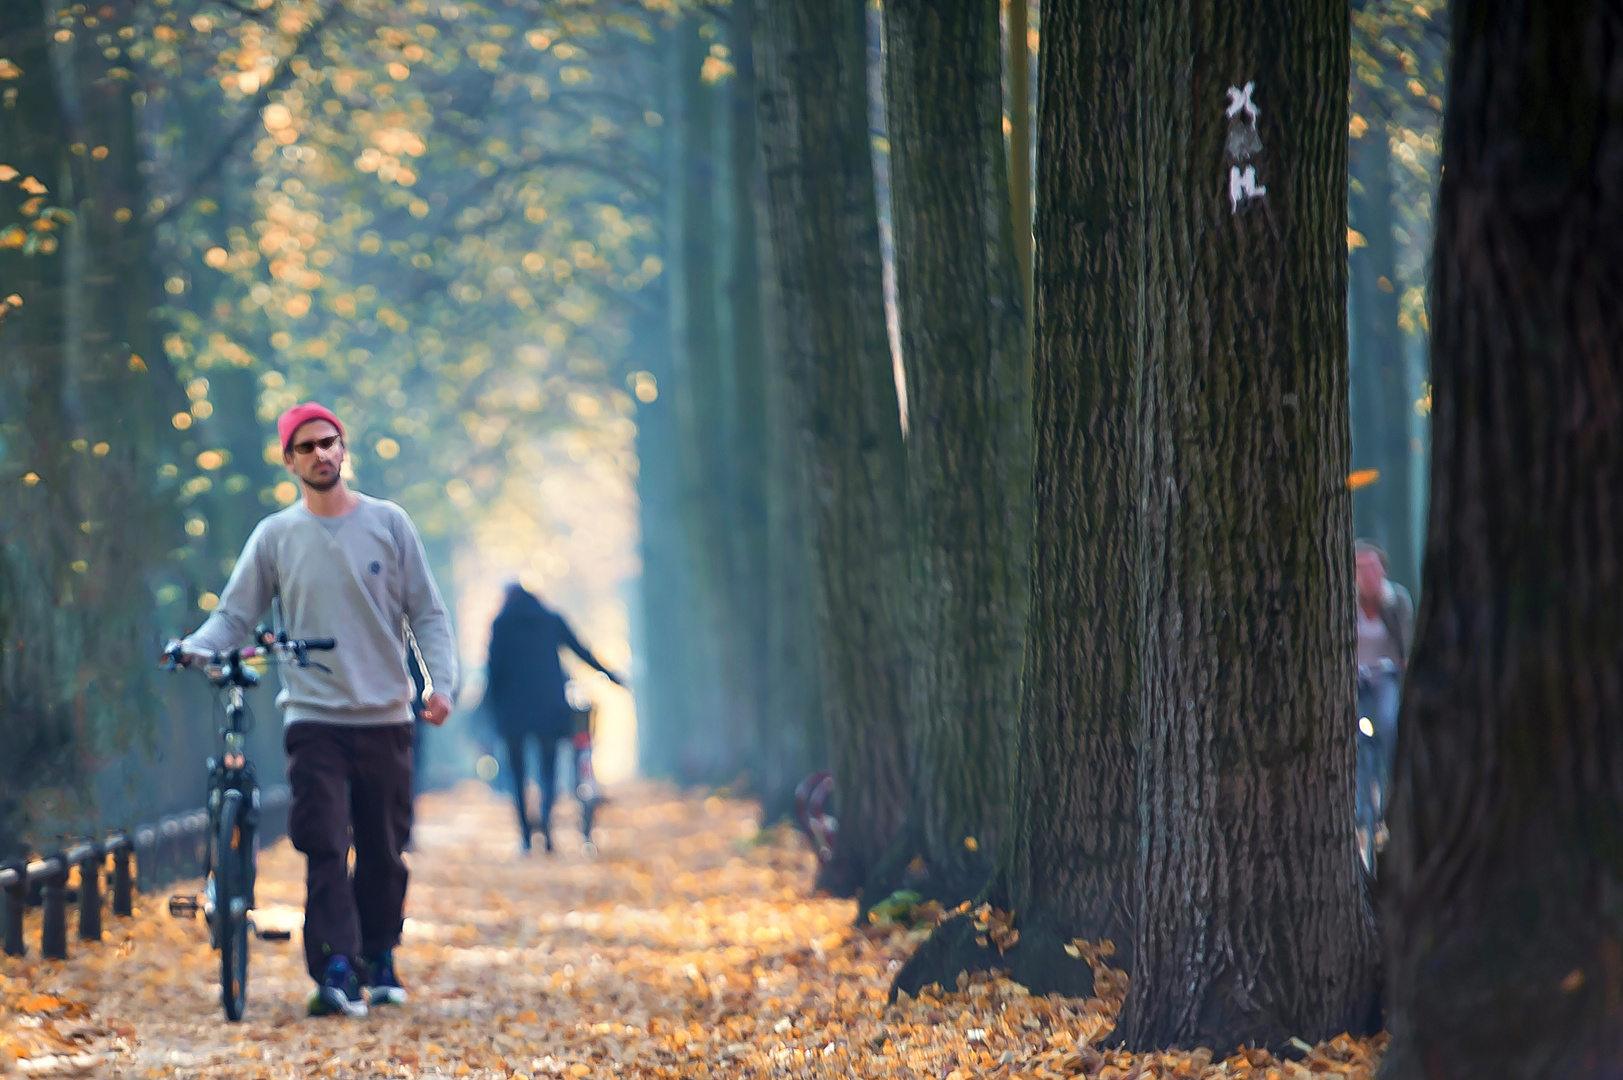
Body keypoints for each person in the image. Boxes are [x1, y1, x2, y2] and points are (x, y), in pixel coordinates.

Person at [178, 402, 457, 1018]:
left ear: (344, 447)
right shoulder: (276, 536)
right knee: (325, 842)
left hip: (386, 717)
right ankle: (334, 967)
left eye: (329, 442)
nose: (321, 454)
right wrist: (196, 649)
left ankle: (379, 955)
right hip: (313, 719)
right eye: (306, 447)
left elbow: (427, 615)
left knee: (384, 850)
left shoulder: (390, 523)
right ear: (290, 460)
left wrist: (440, 685)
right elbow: (235, 616)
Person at [483, 583, 625, 852]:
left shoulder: (501, 624)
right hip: (549, 707)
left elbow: (494, 670)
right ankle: (546, 823)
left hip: (512, 711)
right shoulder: (551, 620)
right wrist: (611, 675)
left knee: (518, 774)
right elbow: (580, 650)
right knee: (549, 770)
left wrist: (490, 709)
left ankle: (526, 837)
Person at [1353, 539, 1414, 850]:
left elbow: (1406, 646)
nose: (1367, 574)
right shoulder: (1347, 601)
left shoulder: (1397, 601)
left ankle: (1394, 794)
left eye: (1372, 567)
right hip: (1355, 680)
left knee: (1389, 723)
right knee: (1358, 740)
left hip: (1385, 676)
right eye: (1360, 568)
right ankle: (1363, 815)